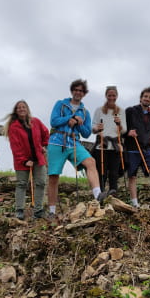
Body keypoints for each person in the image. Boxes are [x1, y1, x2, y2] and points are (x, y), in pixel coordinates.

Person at [47, 79, 107, 217]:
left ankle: (98, 194)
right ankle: (51, 211)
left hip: (74, 142)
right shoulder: (60, 104)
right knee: (53, 176)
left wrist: (79, 123)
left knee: (90, 162)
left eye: (81, 90)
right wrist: (70, 118)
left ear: (84, 93)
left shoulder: (85, 112)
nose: (78, 92)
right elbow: (53, 121)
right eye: (76, 89)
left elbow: (86, 133)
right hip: (57, 141)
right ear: (72, 90)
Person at [3, 100, 50, 220]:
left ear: (27, 109)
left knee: (41, 182)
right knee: (22, 184)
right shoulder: (14, 127)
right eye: (19, 107)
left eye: (23, 107)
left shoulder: (36, 121)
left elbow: (46, 133)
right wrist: (24, 160)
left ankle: (38, 210)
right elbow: (15, 146)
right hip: (22, 161)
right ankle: (19, 210)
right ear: (16, 111)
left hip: (38, 158)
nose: (21, 109)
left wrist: (44, 146)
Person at [92, 86, 127, 194]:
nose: (111, 97)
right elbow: (93, 128)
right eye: (109, 95)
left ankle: (113, 197)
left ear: (117, 96)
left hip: (115, 146)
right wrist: (97, 128)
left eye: (114, 95)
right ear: (106, 96)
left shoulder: (121, 111)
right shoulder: (99, 110)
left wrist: (119, 123)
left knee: (114, 173)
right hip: (101, 145)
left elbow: (124, 130)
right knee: (101, 173)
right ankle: (100, 197)